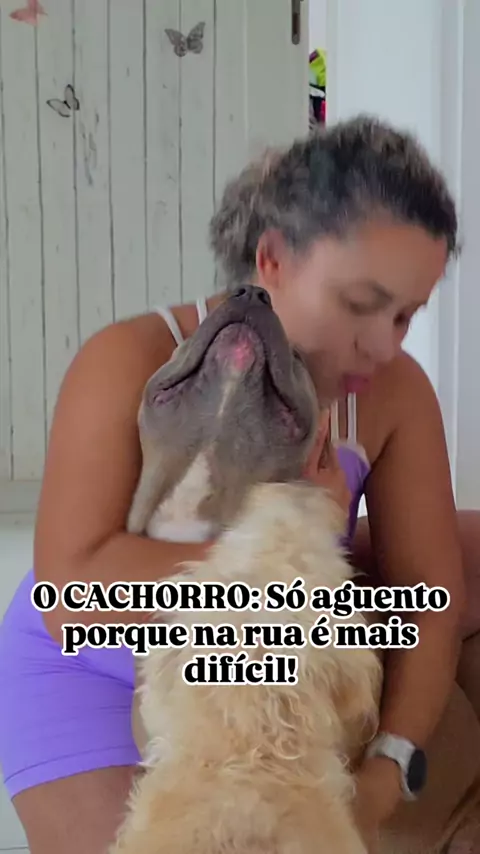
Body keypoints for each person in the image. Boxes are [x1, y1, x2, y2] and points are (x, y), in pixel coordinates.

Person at [0, 113, 477, 854]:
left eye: (407, 316)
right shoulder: (131, 358)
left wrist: (385, 774)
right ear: (273, 259)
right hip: (96, 669)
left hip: (279, 684)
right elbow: (75, 597)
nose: (385, 344)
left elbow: (430, 602)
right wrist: (292, 531)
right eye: (361, 304)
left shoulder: (395, 393)